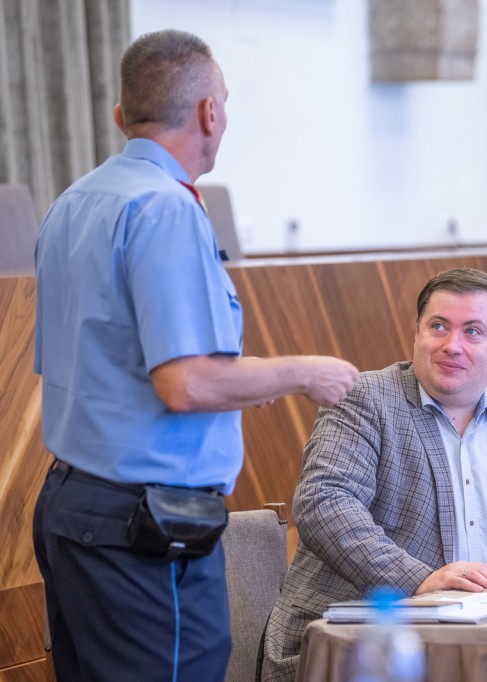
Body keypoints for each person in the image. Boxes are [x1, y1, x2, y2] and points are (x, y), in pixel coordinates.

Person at [32, 30, 359, 681]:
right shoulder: (166, 209)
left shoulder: (73, 202)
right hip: (140, 527)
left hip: (69, 506)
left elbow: (103, 367)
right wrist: (305, 373)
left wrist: (243, 382)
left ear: (122, 116)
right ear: (210, 113)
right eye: (225, 103)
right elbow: (185, 383)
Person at [261, 268, 487, 681]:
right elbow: (324, 502)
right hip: (363, 647)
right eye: (438, 326)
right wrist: (419, 579)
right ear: (417, 333)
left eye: (473, 331)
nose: (451, 345)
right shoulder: (365, 398)